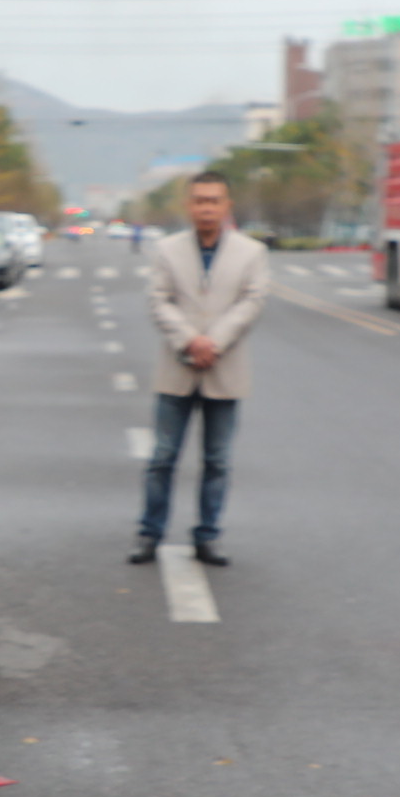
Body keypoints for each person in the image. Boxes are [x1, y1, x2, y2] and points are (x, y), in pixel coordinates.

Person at [133, 170, 269, 568]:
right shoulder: (167, 250)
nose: (206, 207)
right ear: (189, 205)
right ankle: (149, 532)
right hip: (177, 368)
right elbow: (158, 300)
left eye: (214, 200)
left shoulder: (251, 253)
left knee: (218, 461)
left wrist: (215, 341)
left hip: (225, 369)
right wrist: (190, 340)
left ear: (227, 206)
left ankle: (208, 536)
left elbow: (253, 301)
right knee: (162, 457)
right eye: (199, 200)